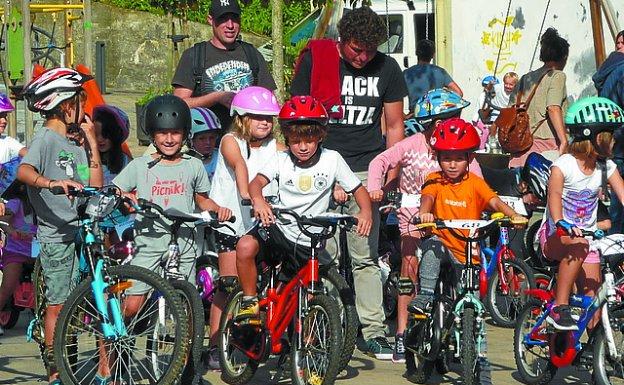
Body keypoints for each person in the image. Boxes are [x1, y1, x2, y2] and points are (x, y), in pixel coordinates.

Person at [112, 94, 231, 383]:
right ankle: (115, 350)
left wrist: (218, 209)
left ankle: (189, 372)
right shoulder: (142, 166)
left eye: (175, 133)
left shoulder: (193, 166)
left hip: (185, 244)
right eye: (162, 133)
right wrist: (126, 198)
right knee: (132, 306)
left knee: (187, 313)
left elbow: (202, 199)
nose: (168, 139)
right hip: (150, 243)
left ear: (185, 134)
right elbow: (116, 190)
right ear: (152, 134)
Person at [406, 118, 524, 384]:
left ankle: (474, 357)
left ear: (469, 158)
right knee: (433, 247)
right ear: (437, 158)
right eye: (446, 158)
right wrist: (425, 214)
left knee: (472, 302)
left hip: (467, 250)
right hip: (443, 244)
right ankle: (425, 295)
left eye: (458, 158)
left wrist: (512, 214)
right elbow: (428, 198)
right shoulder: (434, 179)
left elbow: (493, 200)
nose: (451, 164)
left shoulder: (475, 183)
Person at [235, 95, 372, 320]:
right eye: (296, 141)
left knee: (307, 293)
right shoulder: (281, 159)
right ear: (287, 138)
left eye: (309, 140)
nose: (303, 147)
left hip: (311, 238)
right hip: (280, 229)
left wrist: (365, 213)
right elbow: (256, 183)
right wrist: (258, 200)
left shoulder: (332, 159)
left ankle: (308, 337)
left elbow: (358, 189)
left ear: (320, 136)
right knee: (245, 246)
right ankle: (249, 301)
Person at [368, 101, 481, 363]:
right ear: (433, 123)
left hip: (450, 222)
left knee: (462, 266)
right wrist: (376, 187)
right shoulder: (413, 144)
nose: (453, 123)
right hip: (413, 219)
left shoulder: (459, 149)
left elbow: (478, 182)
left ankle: (459, 329)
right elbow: (381, 161)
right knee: (410, 269)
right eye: (446, 119)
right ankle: (401, 332)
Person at [17, 67, 103, 385]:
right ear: (67, 105)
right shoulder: (45, 139)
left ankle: (87, 366)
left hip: (81, 230)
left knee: (90, 301)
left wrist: (91, 142)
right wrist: (50, 183)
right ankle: (56, 369)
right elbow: (24, 172)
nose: (84, 109)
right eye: (81, 101)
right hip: (56, 236)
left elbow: (93, 182)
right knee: (58, 304)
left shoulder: (73, 144)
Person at [205, 86, 284, 369]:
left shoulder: (277, 148)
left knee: (265, 284)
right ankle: (215, 345)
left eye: (269, 118)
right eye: (257, 117)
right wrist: (246, 195)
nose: (265, 122)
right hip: (231, 222)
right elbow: (238, 165)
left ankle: (263, 338)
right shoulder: (230, 140)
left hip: (261, 224)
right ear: (240, 117)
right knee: (228, 285)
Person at [538, 97, 624, 330]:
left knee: (593, 297)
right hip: (556, 235)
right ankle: (559, 306)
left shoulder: (606, 166)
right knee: (578, 244)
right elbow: (554, 196)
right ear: (594, 137)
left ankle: (592, 353)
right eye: (609, 134)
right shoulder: (564, 165)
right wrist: (560, 222)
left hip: (587, 239)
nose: (615, 140)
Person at [172, 0, 276, 130]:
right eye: (223, 19)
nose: (230, 25)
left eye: (235, 18)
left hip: (248, 142)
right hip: (208, 144)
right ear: (210, 20)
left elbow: (269, 101)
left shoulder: (252, 54)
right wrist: (216, 98)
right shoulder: (194, 56)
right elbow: (178, 105)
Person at [507, 27, 570, 167]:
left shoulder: (525, 79)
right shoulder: (556, 75)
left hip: (520, 144)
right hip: (545, 144)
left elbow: (509, 109)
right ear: (564, 57)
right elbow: (553, 108)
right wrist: (564, 140)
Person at [593, 30, 624, 234]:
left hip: (611, 139)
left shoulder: (609, 69)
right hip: (620, 139)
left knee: (616, 198)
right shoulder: (622, 70)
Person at [0, 181, 36, 337]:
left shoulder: (41, 204)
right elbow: (3, 221)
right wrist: (13, 232)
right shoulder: (16, 202)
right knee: (8, 286)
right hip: (16, 251)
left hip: (37, 251)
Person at [404, 39, 463, 111]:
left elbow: (394, 98)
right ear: (433, 55)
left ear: (416, 53)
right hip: (437, 114)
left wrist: (404, 116)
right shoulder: (441, 72)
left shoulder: (406, 74)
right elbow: (459, 93)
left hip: (416, 115)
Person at [92, 105, 131, 184]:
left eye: (105, 134)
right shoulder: (86, 158)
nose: (99, 139)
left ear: (115, 135)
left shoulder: (127, 163)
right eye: (95, 134)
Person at [189, 107, 223, 182]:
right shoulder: (186, 162)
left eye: (212, 137)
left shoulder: (221, 157)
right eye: (202, 138)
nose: (208, 142)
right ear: (190, 140)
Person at [0, 93, 26, 162]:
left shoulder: (7, 142)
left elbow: (27, 154)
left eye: (5, 116)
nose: (4, 121)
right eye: (0, 116)